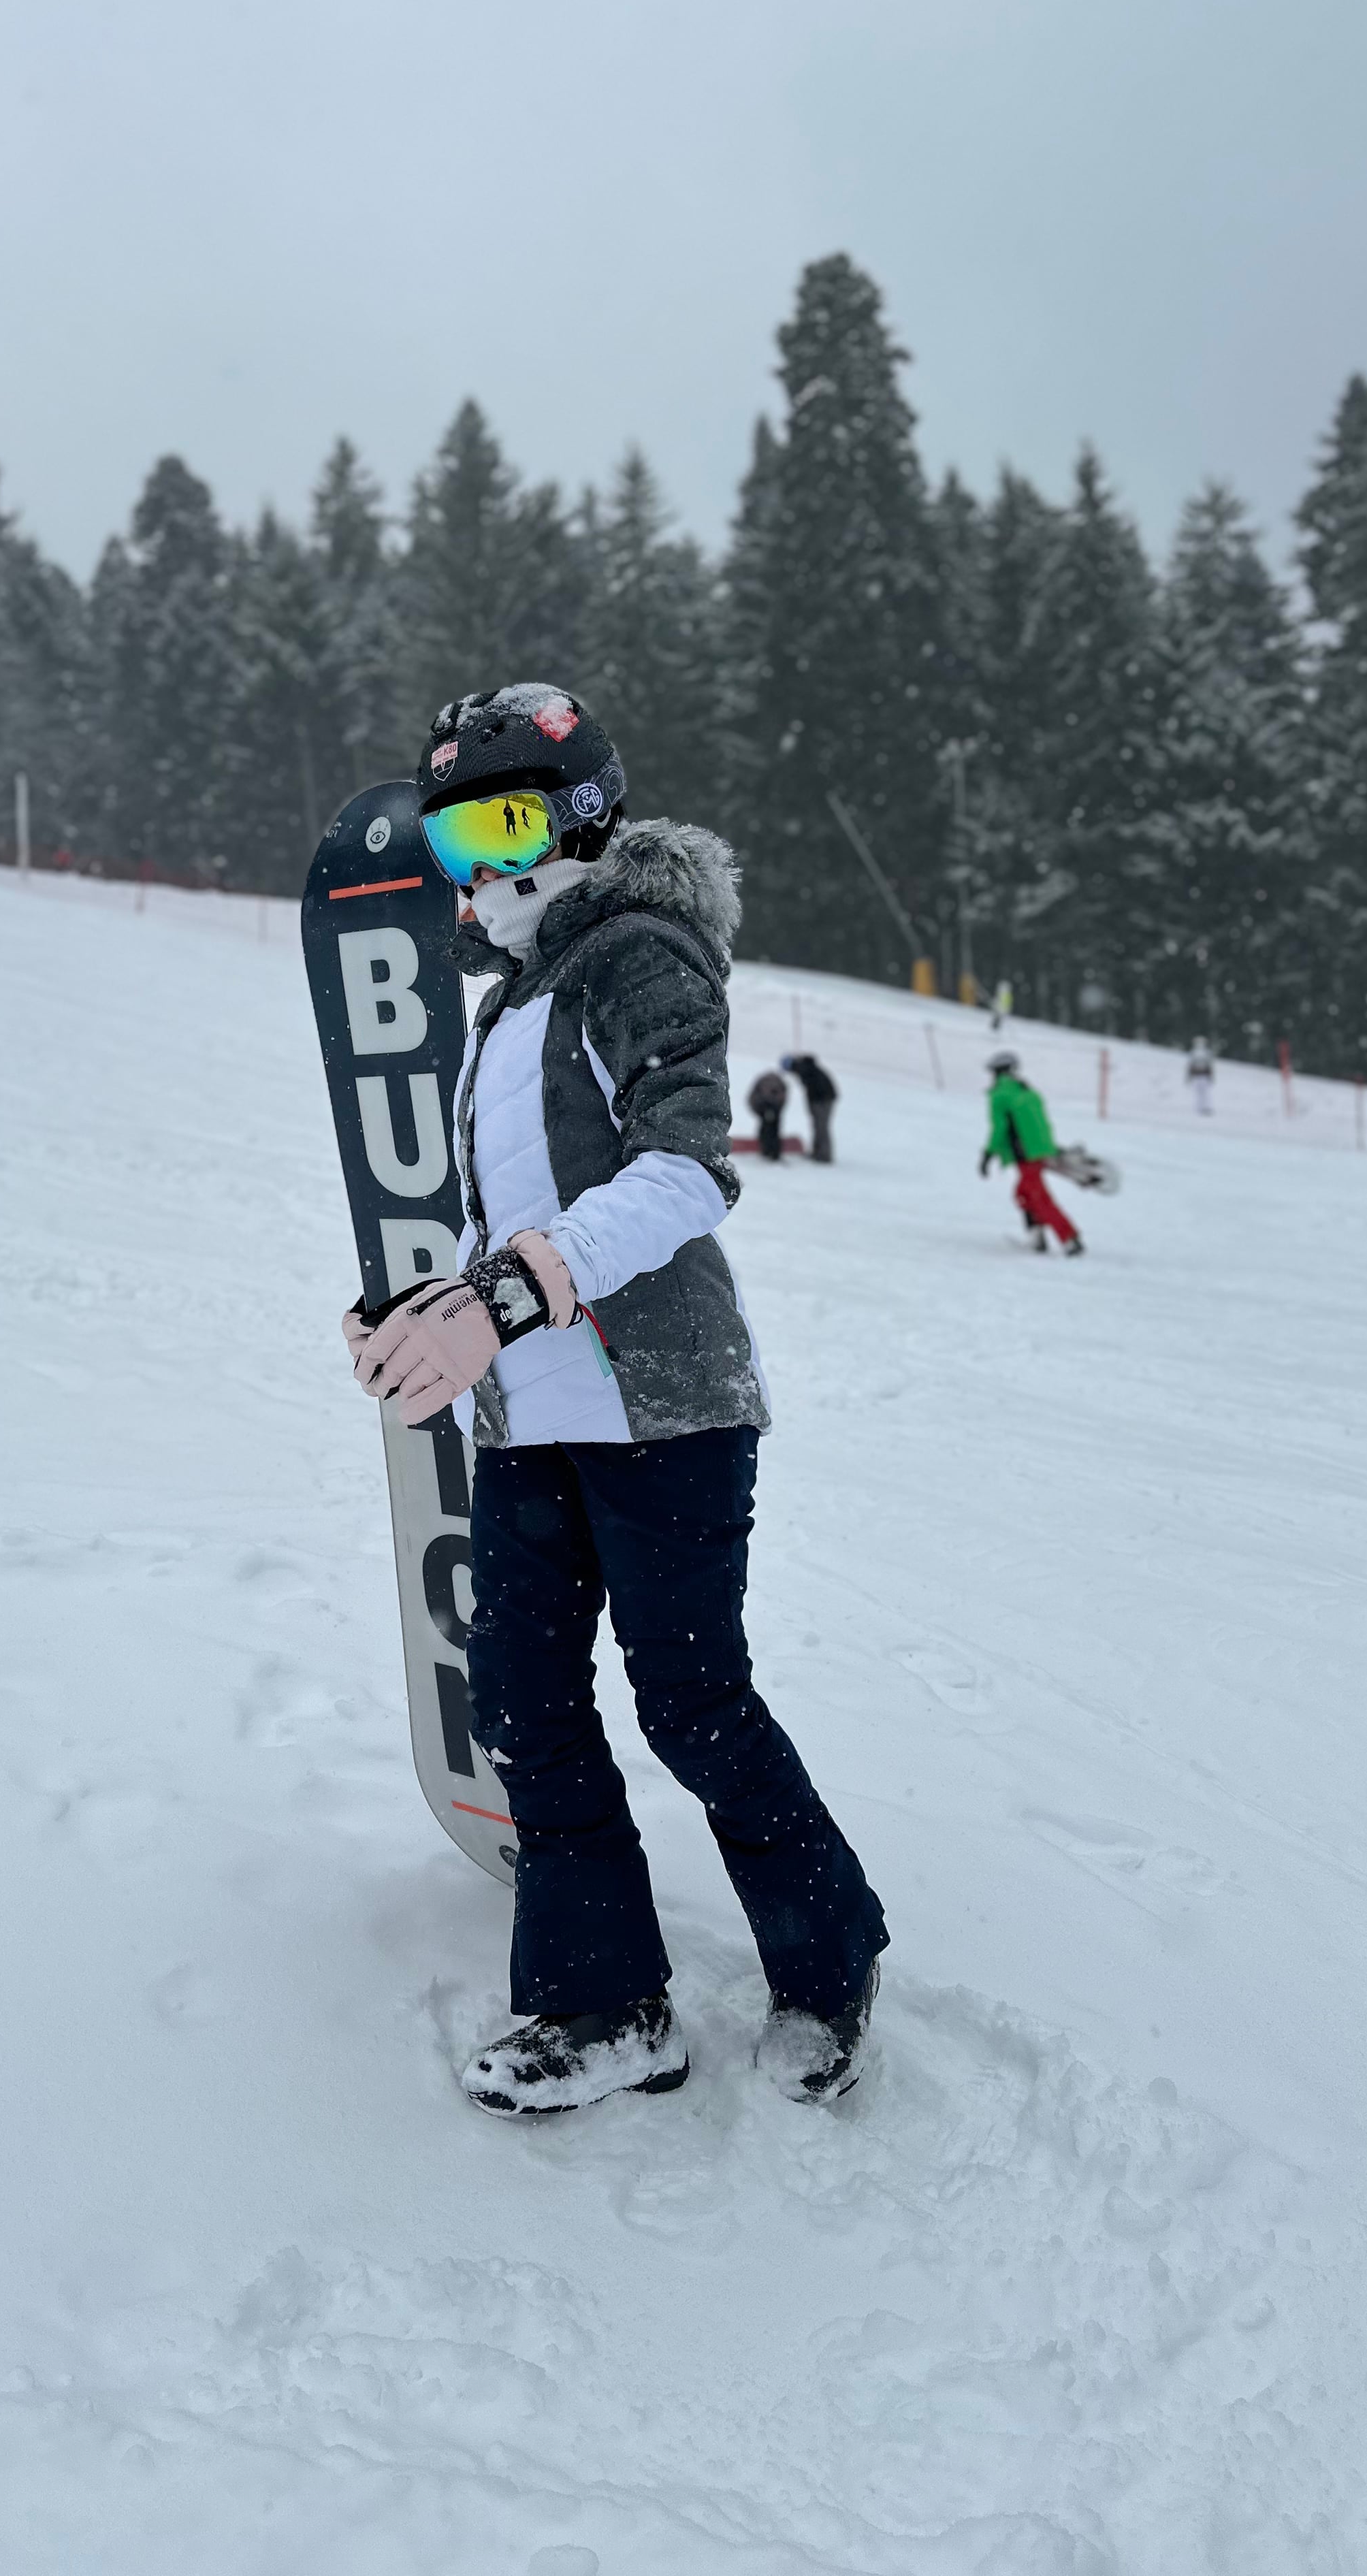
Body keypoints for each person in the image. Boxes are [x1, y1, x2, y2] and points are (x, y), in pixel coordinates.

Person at [347, 681, 888, 2118]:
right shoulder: (507, 1005)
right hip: (532, 1420)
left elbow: (683, 1171)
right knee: (523, 1700)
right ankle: (603, 2004)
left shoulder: (636, 954)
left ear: (585, 819)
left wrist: (507, 1297)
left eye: (509, 827)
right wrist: (431, 1308)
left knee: (692, 1704)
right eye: (458, 843)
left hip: (666, 1412)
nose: (487, 870)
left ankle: (830, 1960)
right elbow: (520, 1215)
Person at [980, 1048, 1082, 1255]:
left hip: (1025, 1153)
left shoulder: (1000, 1095)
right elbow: (1041, 1124)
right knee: (1024, 1193)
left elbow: (999, 1128)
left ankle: (1069, 1239)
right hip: (1040, 1151)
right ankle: (1037, 1236)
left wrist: (988, 1155)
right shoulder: (1028, 1092)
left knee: (1038, 1197)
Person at [782, 1050, 838, 1162]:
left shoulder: (803, 1069)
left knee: (821, 1127)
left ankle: (824, 1156)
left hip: (823, 1100)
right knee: (817, 1126)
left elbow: (814, 1088)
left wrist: (814, 1104)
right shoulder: (805, 1067)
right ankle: (817, 1152)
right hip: (820, 1100)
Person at [746, 1065, 789, 1160]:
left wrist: (774, 1109)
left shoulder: (768, 1084)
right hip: (765, 1106)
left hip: (771, 1107)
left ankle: (770, 1151)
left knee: (770, 1128)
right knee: (769, 1128)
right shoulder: (774, 1084)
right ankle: (769, 1151)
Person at [1187, 1035, 1215, 1116]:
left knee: (1205, 1093)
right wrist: (1189, 1076)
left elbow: (1209, 1065)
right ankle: (1199, 1108)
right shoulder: (1193, 1053)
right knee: (1198, 1093)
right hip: (1196, 1076)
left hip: (1204, 1076)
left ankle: (1206, 1107)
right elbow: (1190, 1065)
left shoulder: (1207, 1053)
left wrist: (1210, 1076)